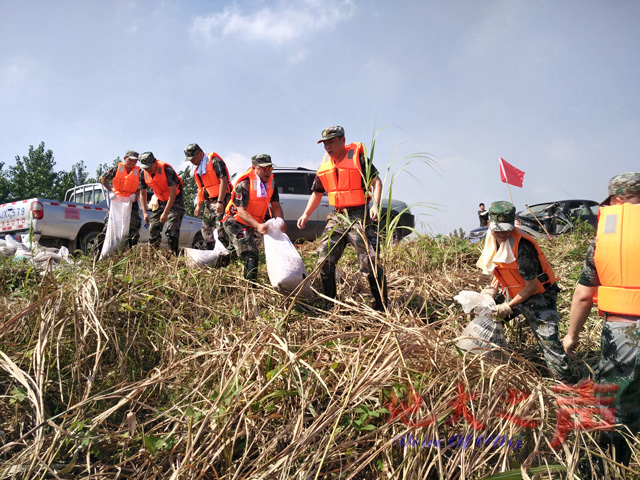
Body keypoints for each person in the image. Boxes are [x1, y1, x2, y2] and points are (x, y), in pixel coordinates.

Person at [562, 172, 640, 466]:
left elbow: (583, 295)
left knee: (613, 404)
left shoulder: (605, 240)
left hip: (623, 333)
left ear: (617, 201)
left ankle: (609, 465)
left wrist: (572, 335)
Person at [477, 201, 572, 381]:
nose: (501, 234)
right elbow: (502, 266)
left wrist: (508, 307)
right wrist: (492, 289)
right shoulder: (492, 240)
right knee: (486, 317)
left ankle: (565, 383)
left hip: (539, 295)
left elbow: (532, 287)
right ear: (489, 224)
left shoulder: (522, 246)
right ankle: (489, 367)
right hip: (515, 291)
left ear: (513, 225)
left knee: (548, 340)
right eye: (497, 229)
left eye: (506, 229)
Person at [297, 126, 388, 311]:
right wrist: (306, 214)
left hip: (359, 215)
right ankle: (330, 303)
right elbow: (317, 193)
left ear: (342, 140)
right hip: (338, 216)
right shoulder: (325, 167)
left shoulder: (358, 159)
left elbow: (376, 182)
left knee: (369, 260)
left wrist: (376, 206)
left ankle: (382, 305)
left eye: (331, 142)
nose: (328, 147)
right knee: (323, 259)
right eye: (325, 143)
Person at [222, 154, 285, 281]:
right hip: (235, 221)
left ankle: (219, 263)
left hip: (250, 223)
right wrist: (257, 225)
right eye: (264, 169)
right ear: (254, 168)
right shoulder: (244, 184)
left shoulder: (272, 184)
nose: (267, 172)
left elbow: (276, 206)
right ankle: (250, 287)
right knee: (251, 252)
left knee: (236, 250)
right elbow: (241, 212)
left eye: (270, 168)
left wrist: (281, 222)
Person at [184, 143, 232, 260]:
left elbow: (223, 181)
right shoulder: (199, 169)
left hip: (222, 199)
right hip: (209, 201)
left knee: (221, 229)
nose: (191, 162)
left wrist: (220, 202)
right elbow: (201, 189)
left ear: (200, 154)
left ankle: (225, 258)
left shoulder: (214, 161)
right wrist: (198, 205)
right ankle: (212, 255)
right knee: (206, 229)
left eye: (193, 158)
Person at [138, 152, 185, 255]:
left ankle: (174, 255)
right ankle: (153, 255)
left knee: (171, 230)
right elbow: (142, 194)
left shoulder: (167, 171)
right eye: (145, 167)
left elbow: (172, 194)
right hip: (160, 199)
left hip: (175, 199)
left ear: (155, 162)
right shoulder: (143, 173)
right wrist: (145, 212)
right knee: (153, 228)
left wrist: (165, 213)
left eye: (149, 167)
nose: (148, 170)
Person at [95, 150, 142, 252]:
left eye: (135, 161)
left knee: (133, 229)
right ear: (125, 159)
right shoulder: (117, 169)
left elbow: (144, 187)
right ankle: (98, 254)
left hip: (130, 202)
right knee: (108, 228)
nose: (132, 163)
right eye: (130, 160)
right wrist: (110, 190)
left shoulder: (139, 172)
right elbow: (102, 178)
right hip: (116, 201)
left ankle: (130, 255)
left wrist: (136, 194)